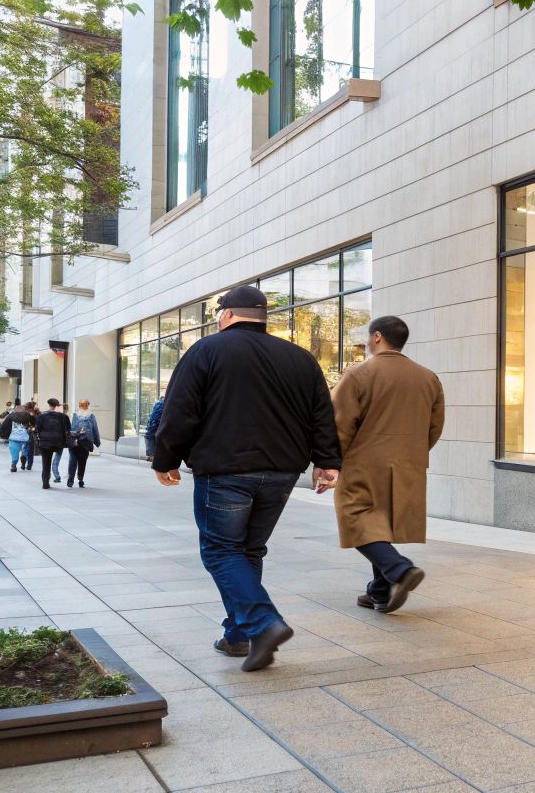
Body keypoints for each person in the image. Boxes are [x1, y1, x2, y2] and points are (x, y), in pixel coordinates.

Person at [152, 284, 341, 672]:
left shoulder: (206, 350)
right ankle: (239, 636)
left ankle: (263, 623)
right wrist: (327, 461)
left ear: (225, 315)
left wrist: (165, 458)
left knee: (221, 551)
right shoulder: (300, 358)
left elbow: (180, 409)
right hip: (282, 472)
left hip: (225, 471)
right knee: (248, 552)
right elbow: (321, 414)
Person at [332, 315, 444, 614]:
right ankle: (380, 591)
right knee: (379, 524)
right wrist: (411, 453)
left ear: (378, 337)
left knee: (355, 518)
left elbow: (341, 424)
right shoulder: (428, 377)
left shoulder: (358, 374)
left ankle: (400, 570)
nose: (367, 343)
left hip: (363, 463)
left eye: (368, 337)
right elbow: (434, 427)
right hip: (408, 464)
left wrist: (331, 463)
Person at [35, 398, 71, 489]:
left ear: (49, 405)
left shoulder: (42, 416)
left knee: (46, 463)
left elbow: (37, 429)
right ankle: (56, 474)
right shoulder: (64, 417)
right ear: (58, 405)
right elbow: (68, 429)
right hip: (59, 442)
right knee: (56, 460)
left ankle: (45, 483)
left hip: (45, 443)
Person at [68, 399, 100, 488]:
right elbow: (95, 429)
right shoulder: (76, 415)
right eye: (84, 404)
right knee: (78, 461)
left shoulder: (89, 415)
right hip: (80, 441)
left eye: (84, 404)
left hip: (81, 442)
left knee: (76, 461)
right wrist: (97, 441)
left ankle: (75, 479)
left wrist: (97, 441)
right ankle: (77, 479)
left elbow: (94, 429)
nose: (84, 406)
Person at [4, 401, 36, 473]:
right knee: (25, 449)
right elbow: (34, 424)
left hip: (13, 436)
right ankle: (23, 459)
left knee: (14, 452)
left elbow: (5, 426)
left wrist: (4, 435)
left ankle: (14, 465)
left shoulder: (11, 416)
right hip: (25, 436)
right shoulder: (29, 416)